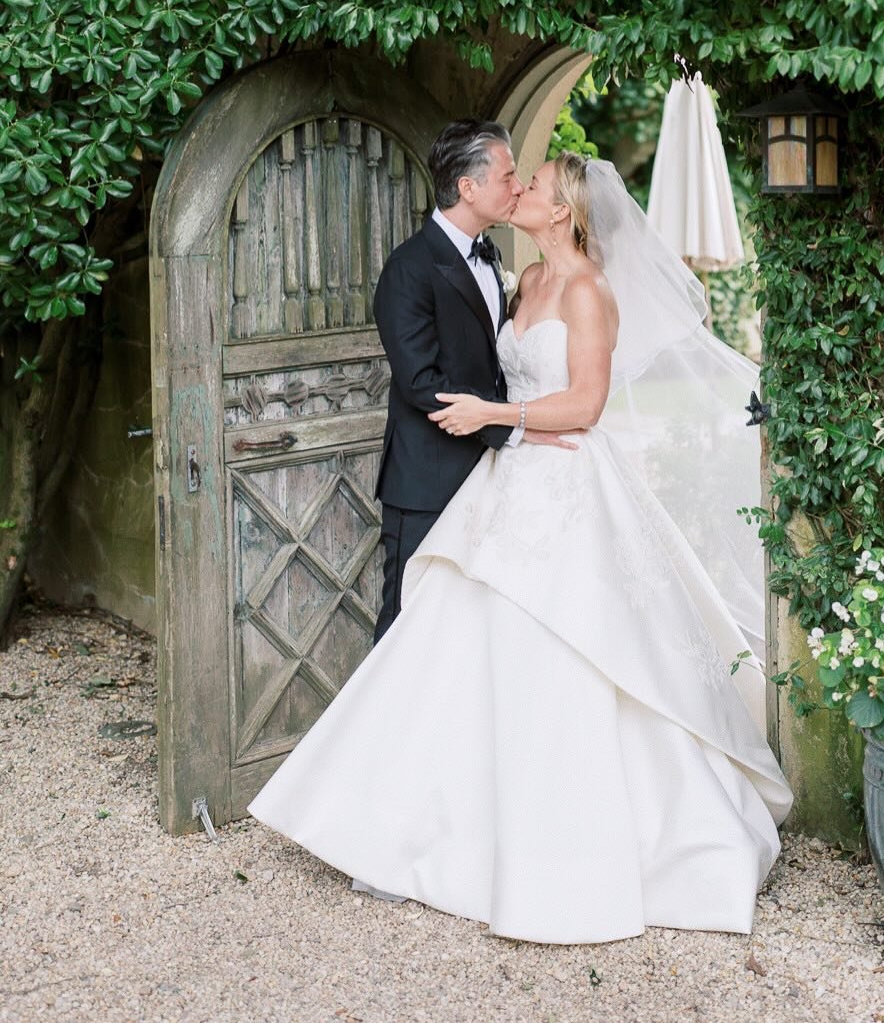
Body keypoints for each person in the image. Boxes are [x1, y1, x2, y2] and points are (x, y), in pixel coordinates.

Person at [249, 154, 792, 944]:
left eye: (533, 184)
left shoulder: (586, 290)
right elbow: (514, 385)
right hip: (510, 484)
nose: (521, 191)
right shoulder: (523, 282)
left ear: (565, 208)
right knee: (453, 646)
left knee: (576, 652)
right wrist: (503, 417)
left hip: (569, 489)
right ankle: (423, 829)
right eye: (518, 178)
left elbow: (585, 403)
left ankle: (593, 850)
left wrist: (498, 418)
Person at [369, 119, 571, 644]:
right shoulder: (408, 269)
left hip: (492, 478)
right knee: (405, 624)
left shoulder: (493, 256)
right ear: (468, 187)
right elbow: (421, 383)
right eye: (507, 176)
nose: (517, 186)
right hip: (427, 482)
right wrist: (512, 428)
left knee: (464, 634)